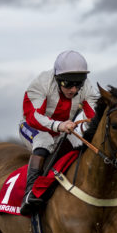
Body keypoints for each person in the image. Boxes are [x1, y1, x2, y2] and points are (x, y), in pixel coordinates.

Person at [18, 50, 98, 215]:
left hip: (63, 129)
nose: (73, 90)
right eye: (67, 84)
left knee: (84, 145)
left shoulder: (87, 87)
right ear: (57, 78)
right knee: (45, 141)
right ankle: (29, 193)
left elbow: (95, 115)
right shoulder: (42, 83)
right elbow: (32, 116)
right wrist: (58, 125)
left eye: (78, 85)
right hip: (33, 127)